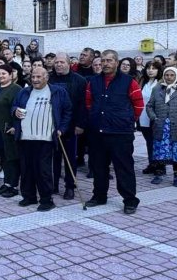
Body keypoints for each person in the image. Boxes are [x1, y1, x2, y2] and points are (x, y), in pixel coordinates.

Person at [84, 50, 144, 214]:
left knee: (124, 167)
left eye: (109, 60)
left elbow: (138, 104)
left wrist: (128, 119)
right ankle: (99, 196)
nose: (105, 64)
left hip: (120, 133)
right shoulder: (93, 81)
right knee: (99, 167)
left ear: (116, 62)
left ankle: (130, 200)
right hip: (98, 133)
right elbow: (89, 103)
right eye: (103, 61)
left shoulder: (128, 82)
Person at [13, 66, 72, 211]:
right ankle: (29, 197)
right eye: (33, 77)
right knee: (26, 169)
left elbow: (67, 111)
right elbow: (14, 106)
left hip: (45, 138)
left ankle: (46, 199)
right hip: (25, 137)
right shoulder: (24, 91)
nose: (35, 80)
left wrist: (62, 128)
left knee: (43, 170)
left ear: (46, 77)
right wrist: (15, 111)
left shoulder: (57, 92)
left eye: (38, 77)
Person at [146, 67, 177, 187]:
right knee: (159, 150)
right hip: (160, 125)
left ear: (176, 76)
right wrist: (154, 118)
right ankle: (158, 174)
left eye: (172, 75)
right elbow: (149, 106)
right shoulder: (157, 88)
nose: (169, 77)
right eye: (166, 75)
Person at [50, 52, 86, 200]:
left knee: (70, 158)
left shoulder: (79, 80)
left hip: (71, 127)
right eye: (56, 62)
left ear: (69, 63)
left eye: (61, 62)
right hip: (51, 126)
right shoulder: (49, 79)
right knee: (54, 158)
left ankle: (70, 186)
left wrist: (80, 124)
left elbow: (84, 105)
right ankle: (54, 185)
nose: (58, 64)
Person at [0, 65, 22, 197]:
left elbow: (20, 109)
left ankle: (14, 186)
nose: (1, 76)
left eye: (4, 73)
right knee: (4, 157)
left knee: (12, 158)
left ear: (11, 75)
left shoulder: (16, 89)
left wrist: (16, 127)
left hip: (10, 130)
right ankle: (7, 183)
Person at [137, 60, 162, 177]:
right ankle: (152, 163)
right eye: (148, 68)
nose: (150, 70)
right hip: (143, 115)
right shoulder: (143, 82)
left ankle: (160, 165)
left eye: (153, 68)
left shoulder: (161, 82)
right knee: (149, 141)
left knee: (157, 141)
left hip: (156, 116)